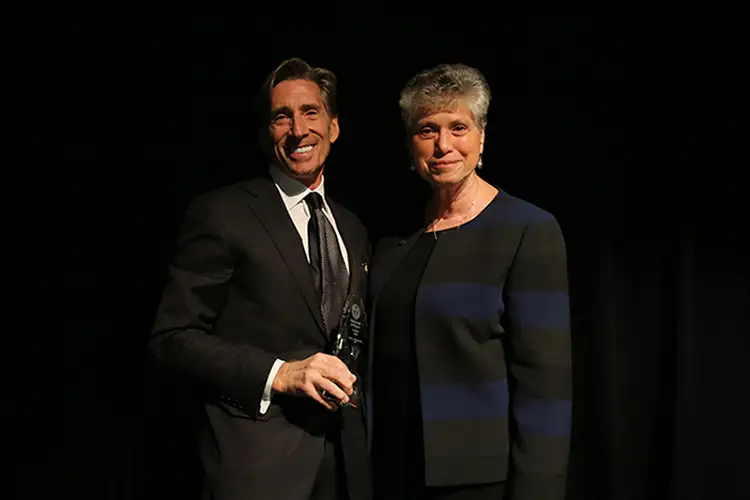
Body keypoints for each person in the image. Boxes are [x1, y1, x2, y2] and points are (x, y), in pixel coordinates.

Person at [149, 57, 371, 500]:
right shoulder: (224, 214)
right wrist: (280, 374)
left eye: (311, 113)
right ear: (265, 133)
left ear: (334, 127)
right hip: (259, 471)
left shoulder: (353, 228)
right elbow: (171, 337)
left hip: (345, 467)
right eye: (281, 117)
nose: (298, 130)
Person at [366, 63, 572, 500]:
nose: (443, 145)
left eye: (458, 127)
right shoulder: (393, 239)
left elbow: (546, 390)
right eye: (427, 130)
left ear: (481, 137)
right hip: (391, 473)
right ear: (410, 145)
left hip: (478, 484)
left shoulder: (526, 230)